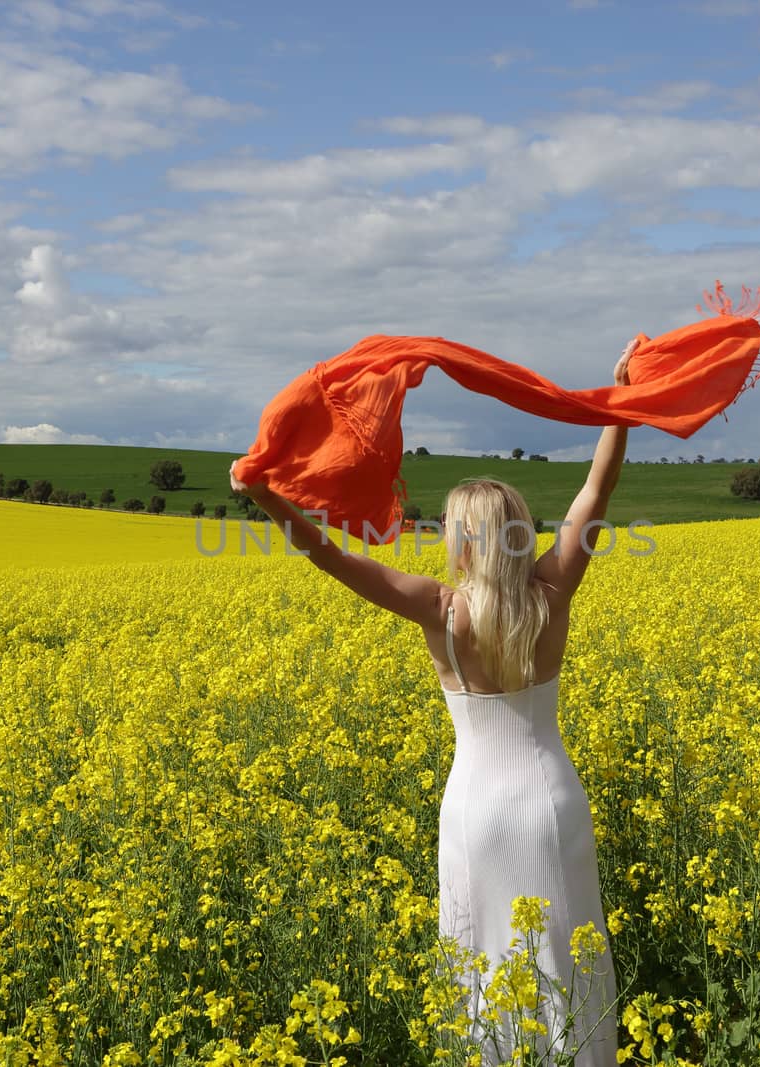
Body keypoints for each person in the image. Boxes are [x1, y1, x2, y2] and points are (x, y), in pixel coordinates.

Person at [229, 338, 637, 1065]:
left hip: (475, 811)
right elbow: (594, 494)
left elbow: (329, 554)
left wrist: (266, 493)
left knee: (482, 960)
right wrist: (620, 403)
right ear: (517, 534)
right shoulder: (552, 592)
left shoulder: (440, 609)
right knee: (566, 957)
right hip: (551, 805)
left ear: (461, 543)